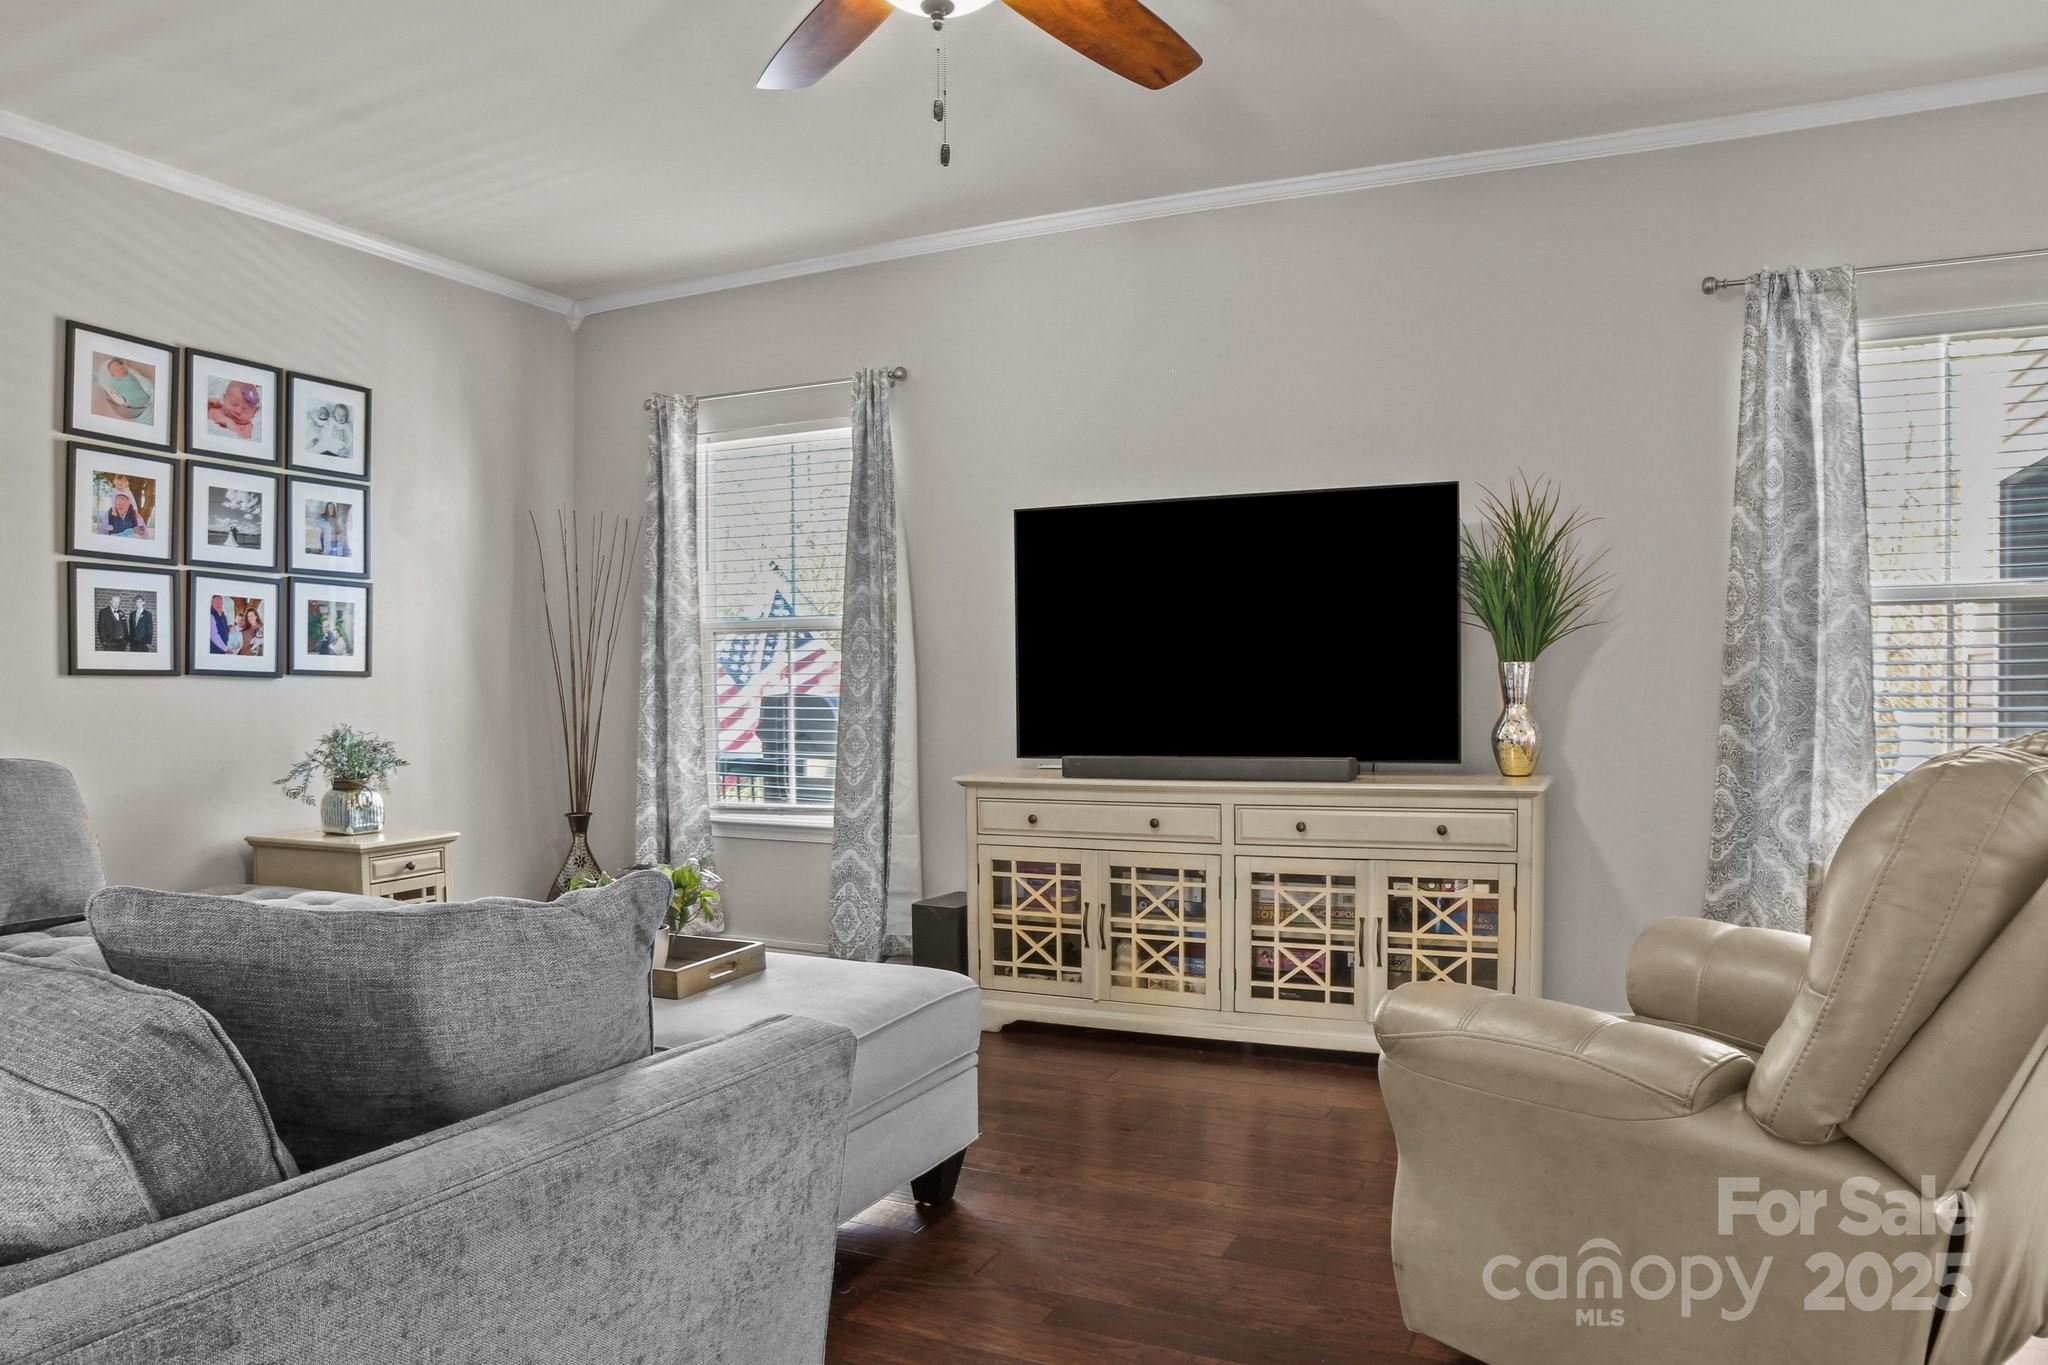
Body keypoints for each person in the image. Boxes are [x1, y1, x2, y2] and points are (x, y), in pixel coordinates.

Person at [94, 356, 153, 421]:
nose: (121, 370)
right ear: (112, 374)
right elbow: (115, 395)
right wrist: (120, 400)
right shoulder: (115, 383)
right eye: (116, 369)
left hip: (144, 397)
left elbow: (139, 380)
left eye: (121, 367)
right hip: (133, 404)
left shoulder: (130, 375)